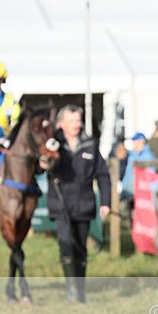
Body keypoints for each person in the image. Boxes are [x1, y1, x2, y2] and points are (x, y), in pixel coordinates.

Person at [47, 105, 111, 303]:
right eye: (71, 121)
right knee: (66, 243)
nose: (76, 125)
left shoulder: (90, 144)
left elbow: (103, 174)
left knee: (80, 248)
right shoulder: (51, 143)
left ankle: (80, 291)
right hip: (60, 203)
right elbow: (40, 167)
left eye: (78, 120)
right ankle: (72, 291)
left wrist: (106, 203)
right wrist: (44, 162)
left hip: (84, 204)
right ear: (61, 123)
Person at [120, 131, 156, 211]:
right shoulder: (131, 154)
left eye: (135, 140)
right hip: (128, 191)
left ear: (141, 141)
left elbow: (150, 174)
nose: (133, 143)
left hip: (140, 193)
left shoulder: (148, 156)